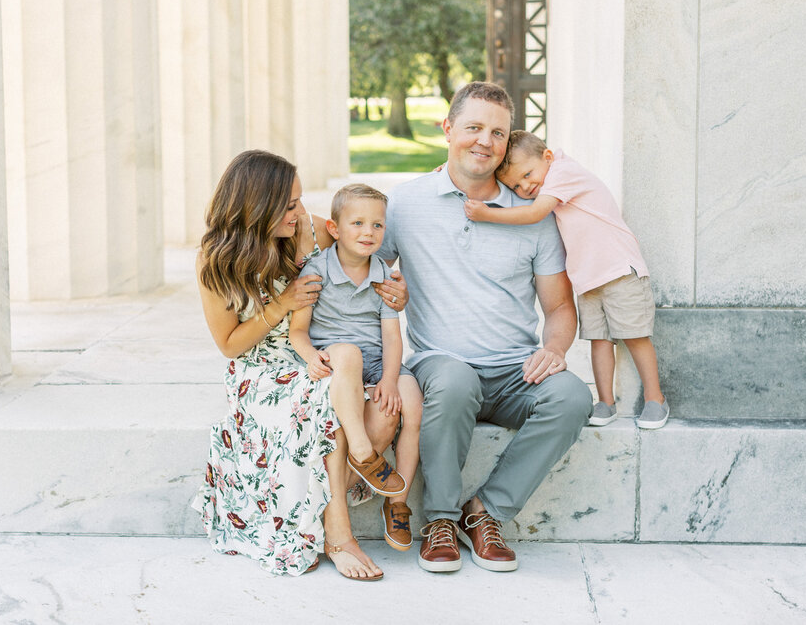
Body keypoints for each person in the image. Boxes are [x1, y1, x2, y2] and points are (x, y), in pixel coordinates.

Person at [378, 82, 592, 574]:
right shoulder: (406, 204)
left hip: (514, 370)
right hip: (443, 366)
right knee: (454, 380)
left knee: (573, 397)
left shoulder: (532, 215)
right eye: (472, 127)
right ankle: (440, 520)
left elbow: (560, 309)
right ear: (448, 130)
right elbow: (358, 270)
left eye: (497, 132)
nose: (484, 141)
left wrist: (555, 350)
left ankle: (486, 512)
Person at [191, 150, 407, 580]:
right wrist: (281, 305)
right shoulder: (215, 260)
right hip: (260, 369)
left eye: (298, 200)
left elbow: (359, 258)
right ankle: (338, 534)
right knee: (328, 415)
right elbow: (230, 345)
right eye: (289, 204)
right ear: (259, 205)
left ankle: (306, 510)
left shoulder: (304, 230)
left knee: (382, 413)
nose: (299, 211)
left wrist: (394, 292)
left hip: (313, 353)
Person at [463, 131, 667, 429]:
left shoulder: (562, 171)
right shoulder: (549, 180)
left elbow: (535, 213)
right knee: (598, 340)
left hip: (619, 269)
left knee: (634, 336)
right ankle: (606, 402)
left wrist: (486, 214)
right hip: (588, 278)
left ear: (547, 157)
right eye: (516, 185)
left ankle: (655, 398)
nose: (525, 186)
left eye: (528, 175)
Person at [289, 184, 423, 554]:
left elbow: (393, 339)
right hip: (337, 365)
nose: (369, 232)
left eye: (378, 225)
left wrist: (392, 381)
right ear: (334, 228)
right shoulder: (316, 271)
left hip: (378, 364)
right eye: (358, 223)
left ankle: (397, 502)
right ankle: (362, 453)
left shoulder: (384, 276)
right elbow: (298, 330)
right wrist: (309, 356)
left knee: (411, 403)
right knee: (348, 352)